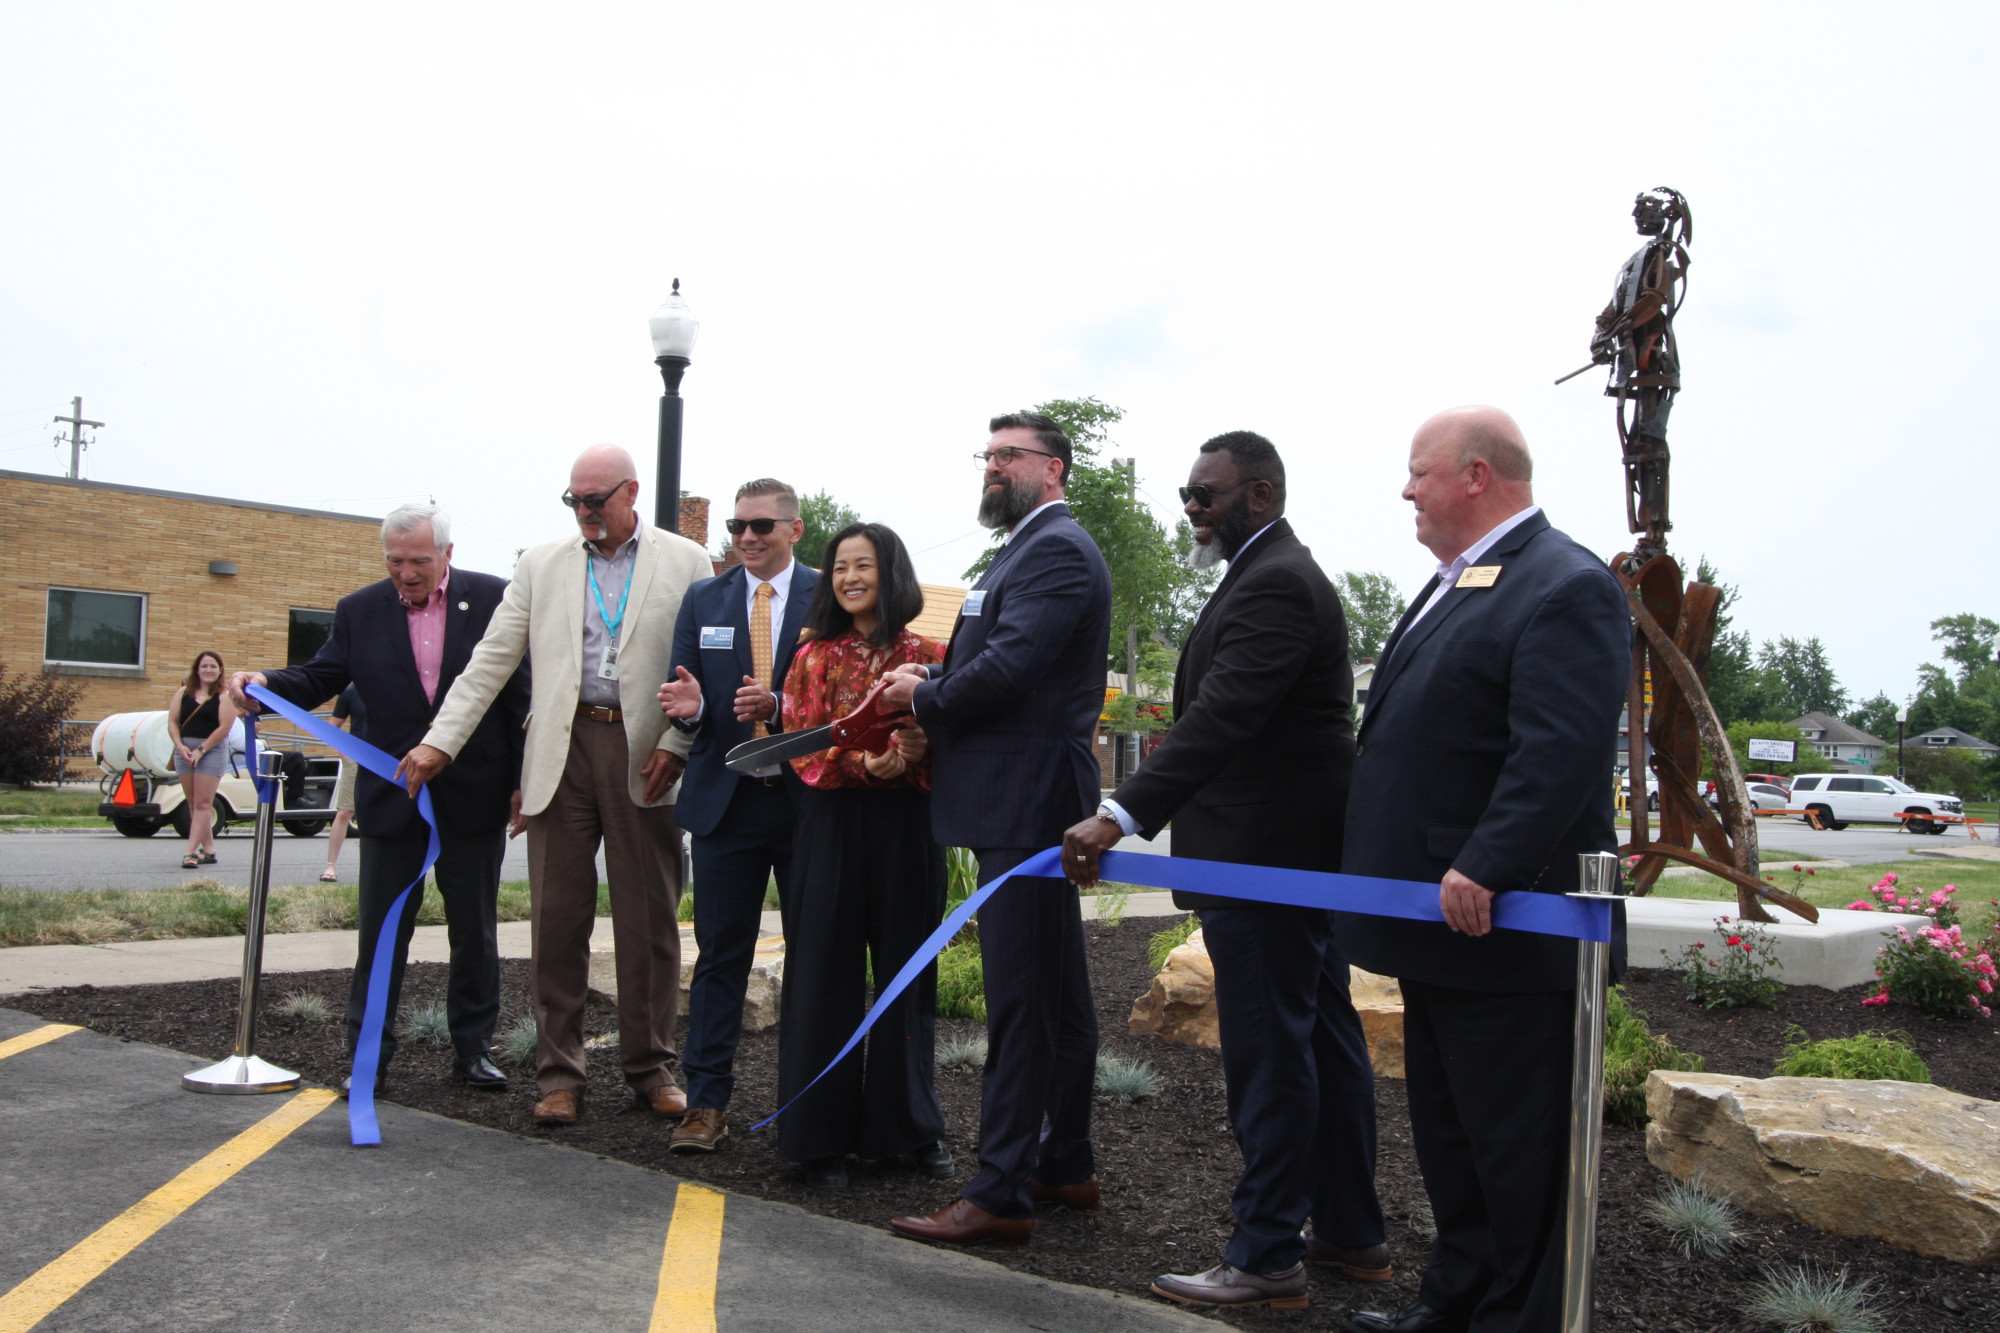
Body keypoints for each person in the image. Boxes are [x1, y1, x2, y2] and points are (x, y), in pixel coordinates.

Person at [1064, 431, 1387, 1311]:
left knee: (1272, 1056)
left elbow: (1221, 719)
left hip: (1267, 867)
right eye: (1187, 493)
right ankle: (1352, 1234)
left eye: (1207, 493)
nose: (1193, 508)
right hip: (1282, 864)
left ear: (1263, 495)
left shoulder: (1278, 581)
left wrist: (1117, 811)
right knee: (1322, 1038)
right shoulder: (1263, 573)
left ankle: (1267, 1254)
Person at [1334, 407, 1628, 1333]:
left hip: (1506, 930)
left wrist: (1489, 863)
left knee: (1516, 1153)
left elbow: (1559, 752)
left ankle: (1517, 1318)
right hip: (1444, 932)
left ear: (1474, 475)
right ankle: (1455, 1300)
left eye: (1418, 473)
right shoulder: (1457, 582)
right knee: (1454, 1143)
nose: (1406, 490)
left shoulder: (1565, 584)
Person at [399, 445, 711, 1127]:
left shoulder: (686, 561)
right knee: (557, 920)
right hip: (561, 750)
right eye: (574, 501)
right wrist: (438, 741)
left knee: (649, 921)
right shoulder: (542, 563)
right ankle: (559, 1076)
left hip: (645, 751)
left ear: (632, 492)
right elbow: (490, 661)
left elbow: (703, 669)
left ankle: (652, 1068)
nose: (584, 513)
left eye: (596, 500)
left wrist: (675, 743)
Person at [881, 410, 1112, 1248]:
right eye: (987, 454)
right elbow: (997, 653)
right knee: (1059, 995)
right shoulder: (1021, 549)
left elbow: (1015, 669)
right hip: (1018, 800)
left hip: (1030, 803)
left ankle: (1001, 1189)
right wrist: (933, 671)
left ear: (1053, 469)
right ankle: (1064, 1161)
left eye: (1007, 455)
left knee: (1021, 1001)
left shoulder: (1055, 548)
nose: (991, 467)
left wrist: (924, 699)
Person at [228, 505, 527, 1092]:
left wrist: (521, 780)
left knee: (475, 929)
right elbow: (320, 677)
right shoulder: (359, 610)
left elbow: (519, 694)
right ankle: (369, 1057)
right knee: (382, 932)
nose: (407, 573)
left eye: (418, 561)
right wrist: (266, 684)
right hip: (391, 794)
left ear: (446, 554)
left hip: (474, 792)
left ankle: (473, 1052)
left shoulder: (495, 599)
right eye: (395, 561)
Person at [771, 522, 949, 1191]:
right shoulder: (813, 653)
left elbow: (957, 736)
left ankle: (906, 1131)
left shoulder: (933, 653)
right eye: (839, 566)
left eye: (862, 565)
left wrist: (920, 754)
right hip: (831, 823)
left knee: (908, 974)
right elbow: (800, 739)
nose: (848, 578)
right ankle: (815, 1138)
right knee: (823, 975)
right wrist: (867, 763)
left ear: (890, 572)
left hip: (911, 828)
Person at [653, 479, 820, 1156]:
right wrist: (691, 708)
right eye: (736, 526)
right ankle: (705, 1102)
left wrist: (780, 703)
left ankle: (808, 1104)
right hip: (728, 804)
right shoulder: (706, 598)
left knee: (816, 958)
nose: (746, 538)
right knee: (721, 957)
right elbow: (686, 687)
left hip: (808, 803)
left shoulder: (828, 595)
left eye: (760, 526)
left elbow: (843, 695)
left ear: (794, 529)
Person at [168, 650, 237, 870]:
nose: (208, 670)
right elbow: (172, 722)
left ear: (220, 671)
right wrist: (180, 746)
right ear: (197, 669)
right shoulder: (183, 693)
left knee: (203, 803)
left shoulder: (225, 695)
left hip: (211, 750)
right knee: (193, 802)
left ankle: (190, 852)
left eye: (213, 666)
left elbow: (224, 727)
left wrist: (201, 749)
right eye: (204, 666)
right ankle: (208, 849)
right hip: (184, 750)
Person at [319, 683, 365, 883]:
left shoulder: (391, 684)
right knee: (345, 811)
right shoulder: (351, 691)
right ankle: (331, 865)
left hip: (385, 759)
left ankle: (378, 868)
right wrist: (344, 754)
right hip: (356, 756)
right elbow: (333, 726)